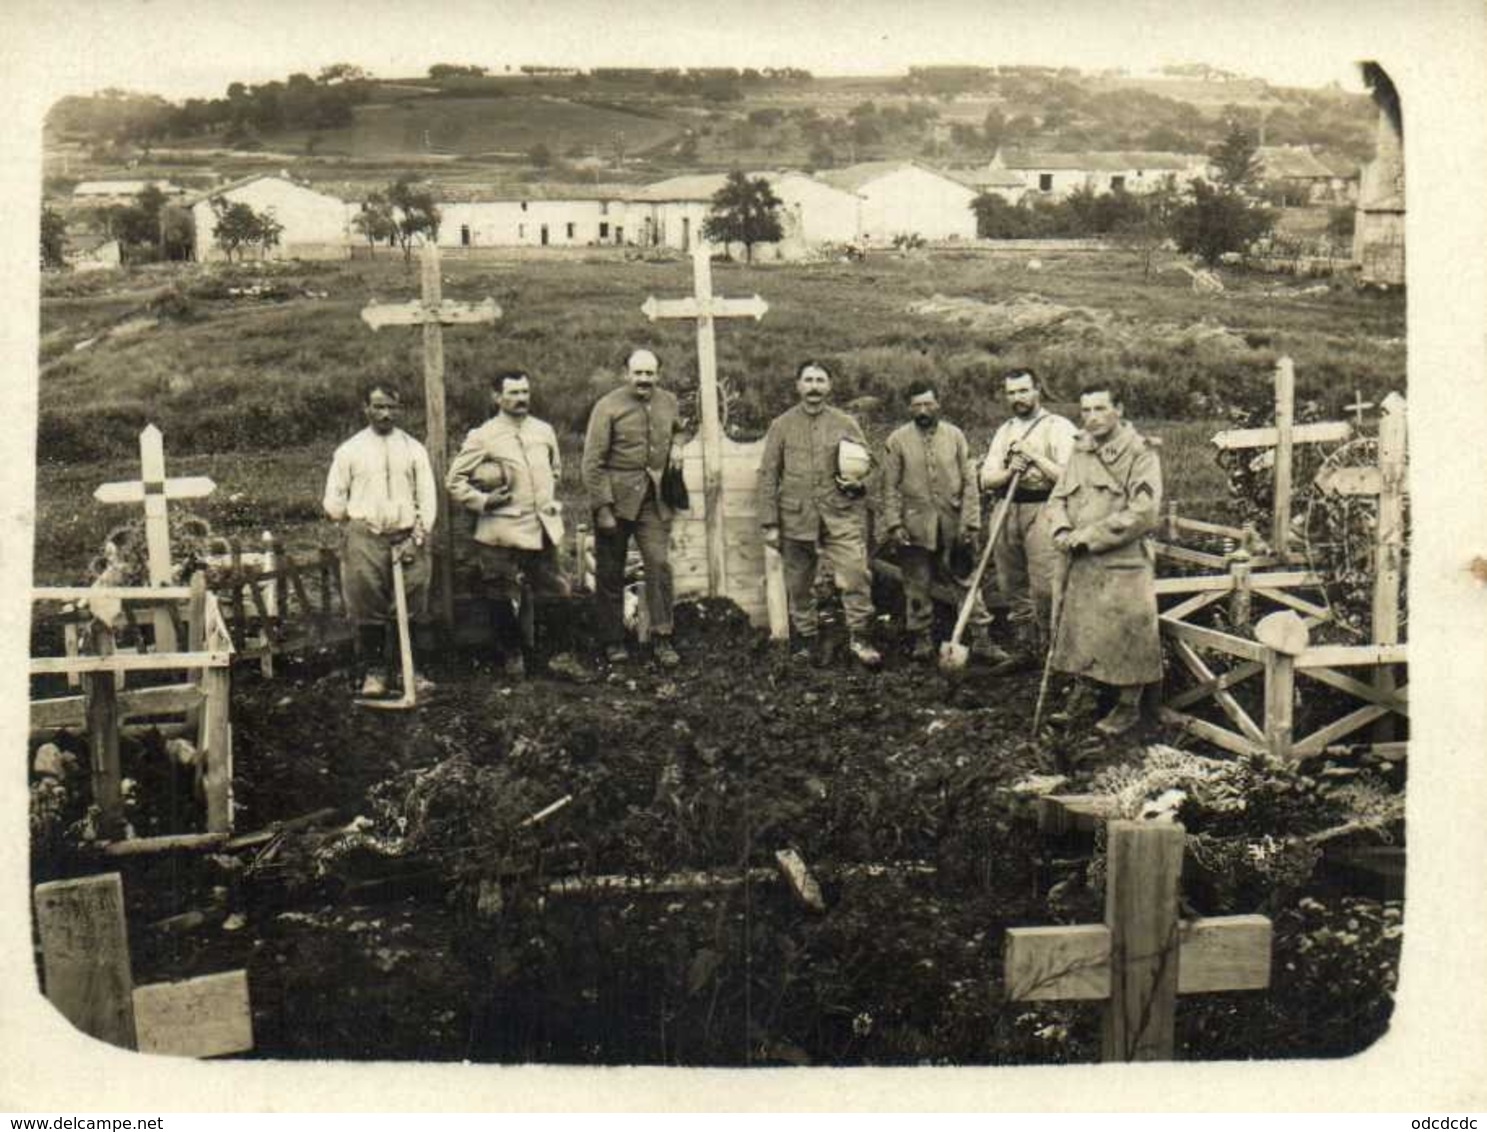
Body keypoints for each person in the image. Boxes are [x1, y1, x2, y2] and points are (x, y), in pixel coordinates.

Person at [1046, 381, 1163, 737]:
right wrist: (1062, 530)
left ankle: (1128, 706)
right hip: (1080, 562)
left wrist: (1089, 537)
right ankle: (1084, 696)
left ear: (1119, 409)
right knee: (1082, 629)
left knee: (1128, 633)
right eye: (1085, 411)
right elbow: (1057, 499)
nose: (1092, 418)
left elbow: (1144, 513)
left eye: (1100, 409)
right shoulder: (1080, 453)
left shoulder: (1140, 454)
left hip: (1122, 563)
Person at [758, 360, 882, 669]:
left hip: (841, 514)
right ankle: (806, 639)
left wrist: (859, 484)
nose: (814, 387)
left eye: (820, 380)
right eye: (808, 380)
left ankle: (860, 638)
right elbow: (768, 475)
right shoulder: (781, 425)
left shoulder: (845, 423)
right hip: (796, 517)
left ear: (829, 386)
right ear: (798, 385)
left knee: (855, 574)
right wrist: (770, 523)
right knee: (799, 583)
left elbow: (871, 466)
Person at [446, 369, 568, 679]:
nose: (520, 399)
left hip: (541, 526)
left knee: (552, 590)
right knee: (499, 592)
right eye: (513, 393)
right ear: (497, 397)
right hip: (501, 529)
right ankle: (512, 654)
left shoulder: (543, 430)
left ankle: (555, 655)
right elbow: (454, 481)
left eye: (524, 392)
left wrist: (544, 500)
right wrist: (484, 501)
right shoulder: (483, 435)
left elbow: (555, 471)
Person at [323, 383, 438, 698]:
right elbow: (333, 499)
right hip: (366, 536)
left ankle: (412, 672)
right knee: (367, 602)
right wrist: (351, 523)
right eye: (379, 406)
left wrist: (419, 532)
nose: (386, 413)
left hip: (406, 535)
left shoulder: (414, 449)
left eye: (392, 407)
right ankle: (375, 672)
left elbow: (427, 496)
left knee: (413, 602)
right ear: (366, 408)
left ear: (399, 409)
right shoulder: (350, 450)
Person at [581, 348, 682, 668]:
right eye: (638, 373)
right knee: (610, 571)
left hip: (653, 499)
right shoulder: (607, 406)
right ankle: (612, 642)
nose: (644, 380)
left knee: (659, 564)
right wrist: (603, 507)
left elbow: (678, 427)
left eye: (650, 374)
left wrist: (678, 445)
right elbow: (592, 462)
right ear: (626, 374)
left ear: (658, 375)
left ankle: (662, 636)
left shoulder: (668, 401)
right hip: (616, 501)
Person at [881, 380, 991, 661]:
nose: (923, 410)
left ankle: (981, 638)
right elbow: (890, 487)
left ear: (938, 404)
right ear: (909, 407)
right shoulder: (897, 440)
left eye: (928, 403)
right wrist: (894, 525)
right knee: (916, 584)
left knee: (965, 580)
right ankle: (922, 640)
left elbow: (970, 483)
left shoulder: (955, 436)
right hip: (914, 528)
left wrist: (971, 523)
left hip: (953, 527)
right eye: (916, 404)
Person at [979, 368, 1079, 669]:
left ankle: (1055, 655)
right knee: (1012, 584)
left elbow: (1070, 476)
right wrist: (1011, 471)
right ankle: (1025, 649)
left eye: (1023, 390)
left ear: (1038, 389)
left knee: (1046, 587)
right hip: (1007, 508)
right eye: (1011, 392)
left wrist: (1034, 457)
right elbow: (987, 478)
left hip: (1045, 509)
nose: (1017, 398)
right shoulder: (1005, 430)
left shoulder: (1058, 427)